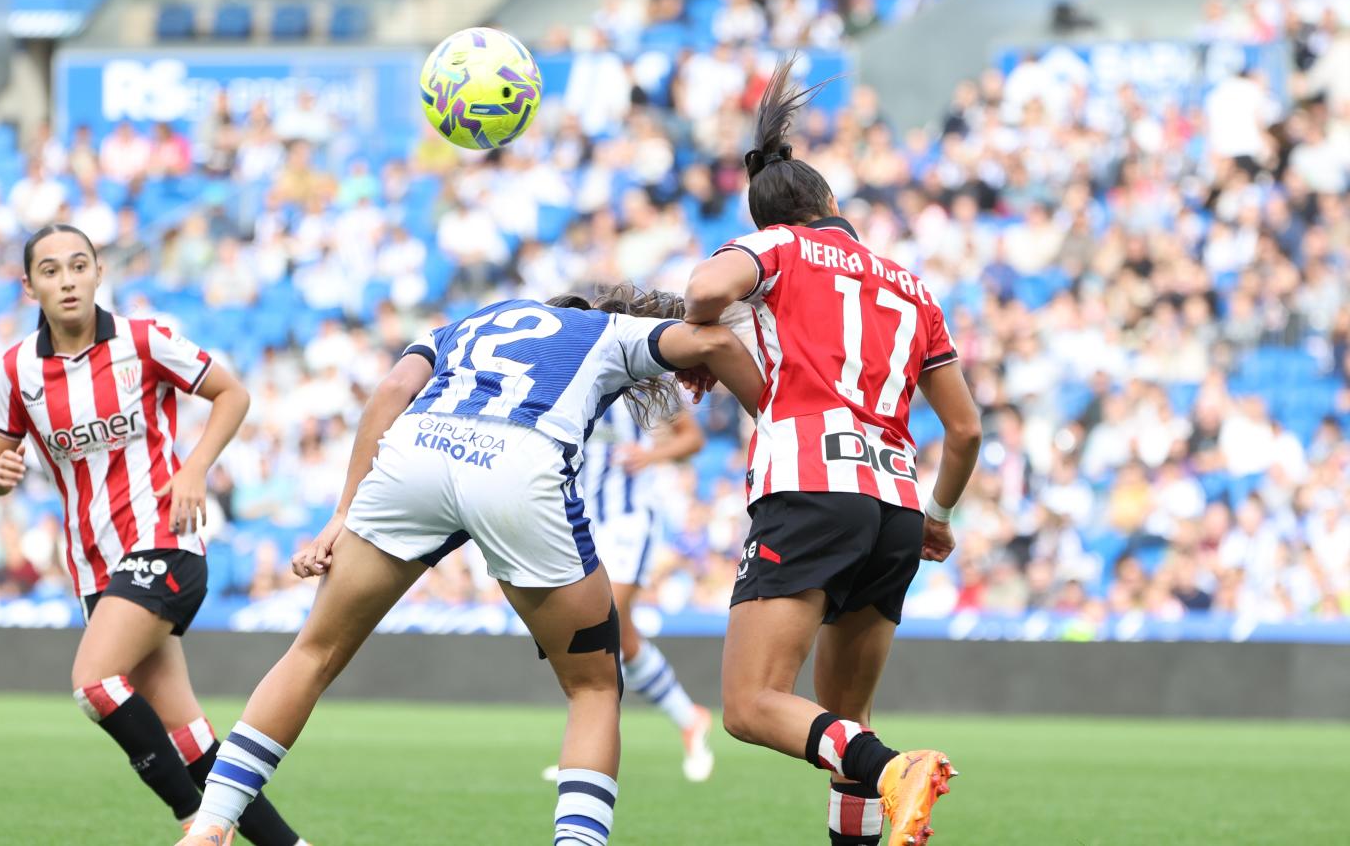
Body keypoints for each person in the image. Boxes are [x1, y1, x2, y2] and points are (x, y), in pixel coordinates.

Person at [173, 285, 765, 846]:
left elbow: (388, 393)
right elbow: (710, 341)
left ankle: (212, 824)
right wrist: (773, 413)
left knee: (312, 651)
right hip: (517, 463)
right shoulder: (611, 331)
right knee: (592, 687)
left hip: (419, 452)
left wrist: (341, 516)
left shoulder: (476, 320)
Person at [681, 61, 982, 846]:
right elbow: (966, 431)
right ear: (835, 206)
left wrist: (708, 329)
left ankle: (893, 770)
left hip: (809, 487)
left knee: (751, 705)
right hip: (895, 505)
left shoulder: (776, 248)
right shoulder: (913, 288)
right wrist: (938, 514)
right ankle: (875, 775)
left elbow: (703, 296)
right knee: (841, 718)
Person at [0, 224, 308, 846]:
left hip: (164, 542)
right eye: (51, 271)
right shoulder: (17, 369)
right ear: (29, 287)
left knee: (95, 684)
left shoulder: (142, 340)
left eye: (78, 266)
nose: (67, 280)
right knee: (191, 739)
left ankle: (197, 825)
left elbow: (231, 393)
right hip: (95, 568)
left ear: (99, 271)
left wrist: (194, 468)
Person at [541, 402, 715, 784]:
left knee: (602, 626)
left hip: (631, 519)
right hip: (584, 518)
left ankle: (586, 753)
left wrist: (651, 455)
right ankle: (690, 719)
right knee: (623, 637)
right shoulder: (578, 374)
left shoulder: (643, 377)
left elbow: (693, 437)